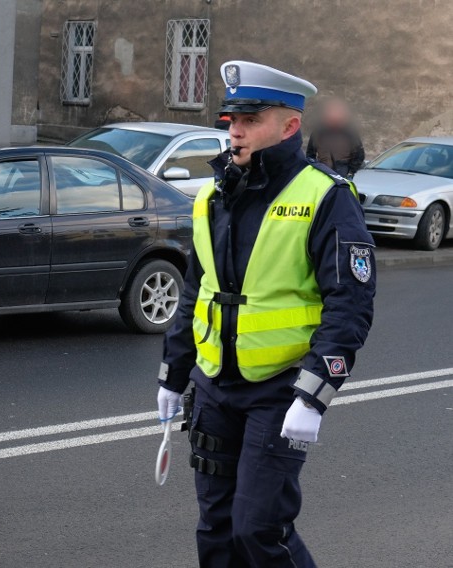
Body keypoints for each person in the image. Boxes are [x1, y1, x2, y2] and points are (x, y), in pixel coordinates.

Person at [156, 61, 375, 567]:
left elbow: (350, 303)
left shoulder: (326, 197)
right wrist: (173, 373)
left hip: (279, 389)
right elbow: (197, 291)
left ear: (289, 126)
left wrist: (315, 394)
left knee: (259, 530)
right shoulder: (212, 196)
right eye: (231, 117)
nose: (235, 128)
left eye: (250, 118)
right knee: (216, 530)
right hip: (214, 386)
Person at [306, 98, 365, 178]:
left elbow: (359, 155)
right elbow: (310, 154)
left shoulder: (349, 133)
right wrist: (316, 167)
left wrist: (350, 171)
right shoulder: (318, 133)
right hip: (323, 172)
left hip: (343, 172)